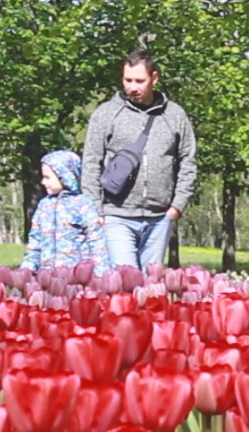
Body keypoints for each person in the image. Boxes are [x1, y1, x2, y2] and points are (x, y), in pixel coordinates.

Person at [81, 50, 198, 270]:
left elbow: (188, 161)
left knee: (150, 290)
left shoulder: (175, 115)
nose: (132, 87)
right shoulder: (106, 114)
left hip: (160, 217)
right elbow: (90, 163)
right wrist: (95, 210)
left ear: (155, 78)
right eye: (128, 80)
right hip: (116, 215)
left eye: (139, 81)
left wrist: (176, 207)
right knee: (125, 284)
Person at [20, 150, 112, 274]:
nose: (43, 182)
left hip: (77, 277)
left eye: (47, 177)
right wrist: (27, 270)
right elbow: (35, 242)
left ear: (65, 176)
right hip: (47, 277)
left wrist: (102, 275)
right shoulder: (44, 205)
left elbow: (97, 243)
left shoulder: (83, 204)